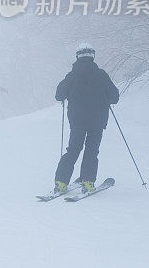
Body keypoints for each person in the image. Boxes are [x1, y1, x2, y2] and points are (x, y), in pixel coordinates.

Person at [53, 42, 119, 194]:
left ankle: (61, 182)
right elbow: (115, 97)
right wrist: (105, 98)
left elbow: (59, 95)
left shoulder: (72, 76)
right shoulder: (101, 75)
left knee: (73, 149)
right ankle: (88, 182)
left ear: (77, 57)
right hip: (97, 121)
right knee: (91, 150)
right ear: (92, 56)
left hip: (77, 121)